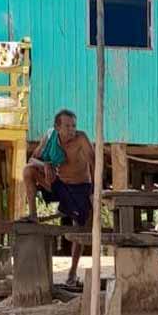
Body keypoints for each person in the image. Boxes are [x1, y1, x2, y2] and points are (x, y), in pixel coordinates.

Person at [23, 109, 94, 286]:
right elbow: (32, 160)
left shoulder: (81, 139)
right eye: (67, 126)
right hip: (59, 184)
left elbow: (95, 162)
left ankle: (72, 273)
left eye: (74, 126)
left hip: (81, 187)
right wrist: (44, 164)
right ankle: (33, 215)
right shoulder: (50, 138)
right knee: (28, 171)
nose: (72, 130)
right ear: (57, 127)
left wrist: (95, 191)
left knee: (81, 228)